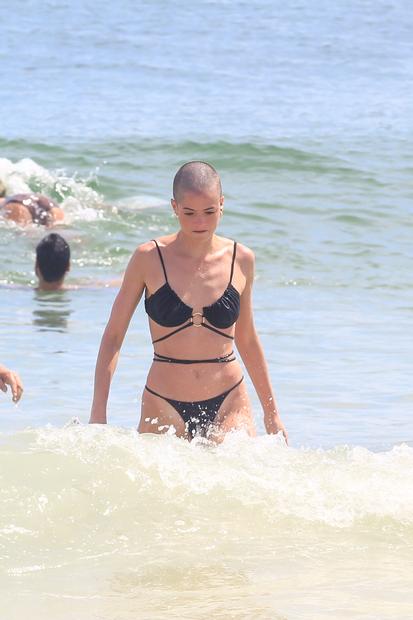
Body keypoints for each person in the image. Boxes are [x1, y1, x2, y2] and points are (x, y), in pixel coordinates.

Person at [89, 161, 288, 443]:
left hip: (229, 398)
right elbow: (113, 337)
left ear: (221, 204)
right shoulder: (148, 258)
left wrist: (272, 412)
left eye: (209, 211)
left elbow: (247, 339)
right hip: (163, 401)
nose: (200, 222)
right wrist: (98, 413)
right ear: (174, 207)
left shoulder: (241, 259)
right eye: (189, 212)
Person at [0, 182, 64, 226]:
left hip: (18, 206)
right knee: (59, 230)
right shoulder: (14, 197)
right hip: (48, 202)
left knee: (31, 236)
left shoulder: (8, 203)